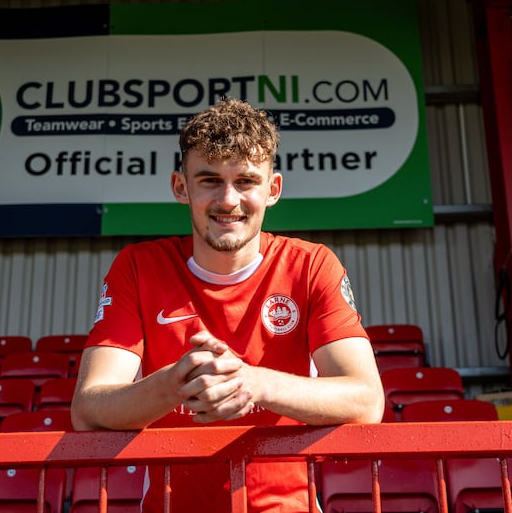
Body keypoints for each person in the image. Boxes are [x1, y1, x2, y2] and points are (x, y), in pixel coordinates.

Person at [71, 97, 384, 512]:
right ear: (181, 187)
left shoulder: (310, 265)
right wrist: (177, 382)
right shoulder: (139, 267)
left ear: (273, 189)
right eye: (209, 180)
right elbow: (88, 410)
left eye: (246, 181)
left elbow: (366, 401)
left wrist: (252, 382)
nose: (229, 200)